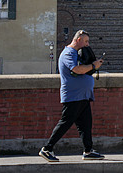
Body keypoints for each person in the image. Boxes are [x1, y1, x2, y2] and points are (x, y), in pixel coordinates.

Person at [39, 30, 105, 162]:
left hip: (83, 96)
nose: (87, 45)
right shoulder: (68, 53)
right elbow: (76, 69)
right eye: (86, 41)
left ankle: (88, 150)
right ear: (78, 39)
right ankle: (47, 149)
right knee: (65, 122)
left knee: (86, 124)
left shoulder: (76, 53)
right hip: (73, 96)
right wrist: (93, 65)